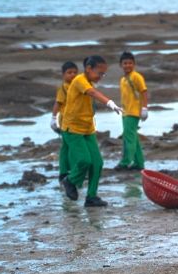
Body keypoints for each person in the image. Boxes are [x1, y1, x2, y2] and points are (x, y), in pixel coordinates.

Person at [61, 56, 123, 207]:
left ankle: (91, 197)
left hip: (88, 129)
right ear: (89, 69)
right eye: (99, 73)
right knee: (84, 160)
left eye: (103, 74)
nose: (101, 77)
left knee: (97, 163)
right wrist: (110, 103)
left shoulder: (89, 81)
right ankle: (70, 181)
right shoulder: (79, 80)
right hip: (72, 129)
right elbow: (93, 93)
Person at [116, 51, 148, 171]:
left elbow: (144, 92)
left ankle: (125, 162)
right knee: (133, 138)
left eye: (130, 63)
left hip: (133, 112)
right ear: (121, 65)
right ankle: (139, 163)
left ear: (134, 64)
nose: (127, 65)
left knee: (128, 138)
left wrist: (144, 108)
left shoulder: (136, 77)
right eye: (125, 63)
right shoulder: (123, 79)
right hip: (125, 112)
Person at [51, 61, 79, 183]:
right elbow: (58, 103)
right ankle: (70, 171)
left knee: (67, 146)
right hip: (66, 121)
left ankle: (64, 172)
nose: (72, 75)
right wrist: (53, 118)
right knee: (71, 146)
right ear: (63, 75)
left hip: (76, 120)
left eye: (74, 72)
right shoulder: (64, 88)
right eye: (69, 73)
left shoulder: (77, 86)